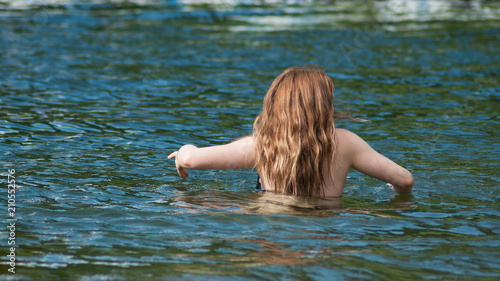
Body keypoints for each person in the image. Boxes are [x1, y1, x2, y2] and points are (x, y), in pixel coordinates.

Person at [168, 66, 414, 197]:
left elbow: (191, 159)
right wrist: (397, 194)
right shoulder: (346, 143)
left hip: (273, 226)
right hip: (327, 231)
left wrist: (183, 153)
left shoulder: (262, 145)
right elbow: (404, 180)